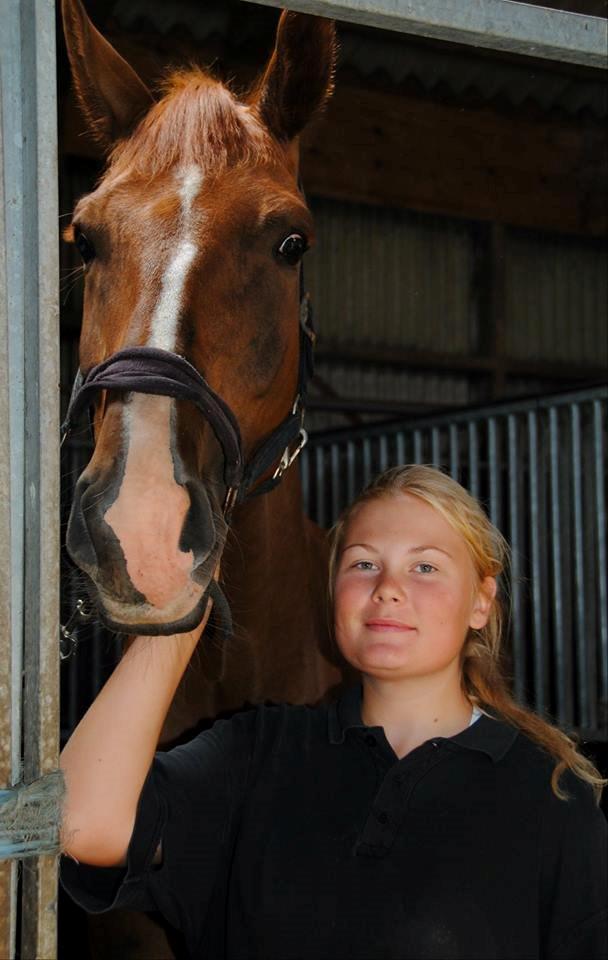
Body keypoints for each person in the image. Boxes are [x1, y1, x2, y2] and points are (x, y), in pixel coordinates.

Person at [60, 464, 607, 959]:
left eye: (425, 567)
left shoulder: (552, 795)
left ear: (481, 602)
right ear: (333, 591)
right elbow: (82, 824)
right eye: (364, 563)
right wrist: (180, 609)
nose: (388, 589)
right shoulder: (255, 753)